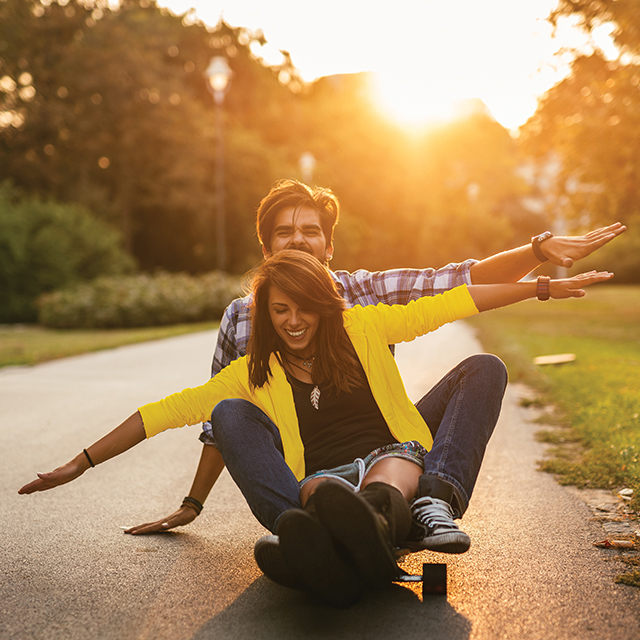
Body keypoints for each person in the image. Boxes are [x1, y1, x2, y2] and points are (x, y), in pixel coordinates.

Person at [19, 250, 614, 607]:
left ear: (324, 302)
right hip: (323, 487)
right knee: (228, 418)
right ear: (267, 315)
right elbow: (161, 413)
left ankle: (427, 508)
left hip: (395, 466)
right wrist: (81, 462)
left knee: (479, 372)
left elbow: (456, 302)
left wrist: (537, 285)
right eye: (280, 311)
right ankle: (316, 536)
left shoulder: (366, 328)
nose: (294, 320)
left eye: (304, 307)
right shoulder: (256, 374)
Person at [124, 180, 625, 559]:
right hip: (311, 470)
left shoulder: (365, 293)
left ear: (329, 246)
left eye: (310, 231)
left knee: (482, 368)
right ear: (266, 250)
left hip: (393, 449)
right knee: (240, 417)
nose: (298, 240)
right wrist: (193, 502)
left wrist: (537, 253)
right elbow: (224, 421)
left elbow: (459, 284)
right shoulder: (242, 316)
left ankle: (431, 503)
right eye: (284, 232)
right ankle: (308, 528)